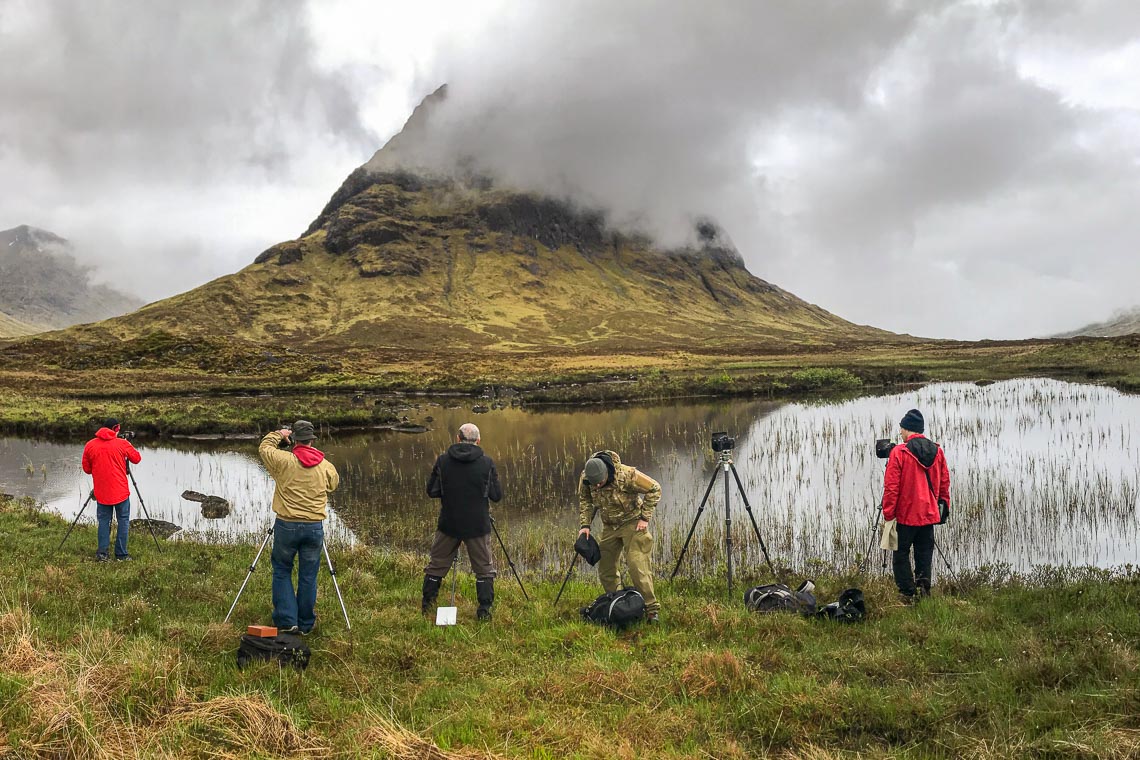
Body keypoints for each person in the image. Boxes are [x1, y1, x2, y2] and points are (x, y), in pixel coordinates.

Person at [258, 420, 340, 635]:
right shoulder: (326, 466)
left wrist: (279, 434)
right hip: (314, 527)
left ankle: (287, 621)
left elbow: (265, 448)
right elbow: (333, 484)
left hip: (287, 525)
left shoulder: (283, 461)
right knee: (308, 575)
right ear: (312, 441)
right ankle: (305, 624)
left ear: (294, 439)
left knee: (282, 570)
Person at [423, 423, 502, 620]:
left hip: (449, 523)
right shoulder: (487, 463)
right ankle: (484, 611)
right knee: (484, 569)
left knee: (437, 565)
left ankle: (427, 605)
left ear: (457, 439)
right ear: (478, 440)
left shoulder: (442, 461)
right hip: (478, 524)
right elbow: (496, 495)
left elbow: (431, 491)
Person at [577, 449, 662, 622]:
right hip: (609, 526)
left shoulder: (627, 474)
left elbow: (655, 489)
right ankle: (619, 602)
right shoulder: (587, 477)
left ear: (606, 473)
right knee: (606, 567)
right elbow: (585, 500)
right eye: (594, 485)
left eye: (600, 483)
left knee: (636, 564)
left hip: (633, 522)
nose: (597, 487)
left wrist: (645, 517)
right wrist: (585, 525)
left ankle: (651, 609)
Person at [882, 409, 951, 601]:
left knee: (901, 554)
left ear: (907, 429)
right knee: (924, 553)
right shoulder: (937, 451)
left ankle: (907, 593)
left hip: (906, 515)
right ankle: (924, 590)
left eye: (902, 429)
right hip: (928, 514)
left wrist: (888, 514)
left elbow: (891, 487)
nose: (901, 433)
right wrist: (944, 507)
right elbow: (945, 482)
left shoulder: (899, 452)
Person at [81, 417, 142, 561]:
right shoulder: (122, 444)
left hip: (101, 492)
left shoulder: (90, 445)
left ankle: (102, 554)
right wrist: (127, 445)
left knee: (103, 521)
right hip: (120, 492)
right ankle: (121, 554)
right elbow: (137, 459)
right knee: (123, 521)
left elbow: (87, 469)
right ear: (115, 429)